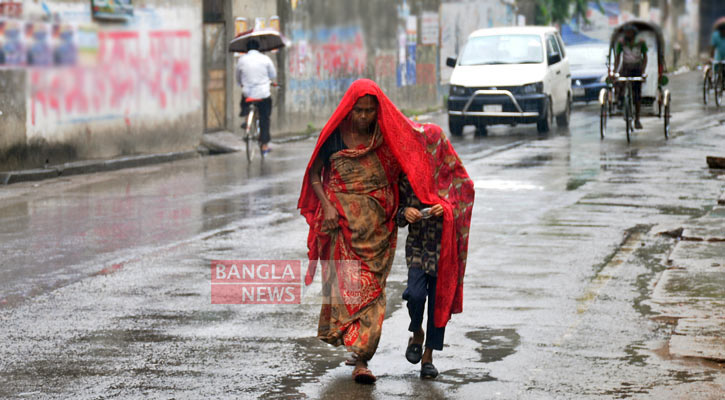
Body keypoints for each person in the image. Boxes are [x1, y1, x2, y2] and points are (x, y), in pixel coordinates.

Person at [298, 79, 475, 384]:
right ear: (349, 109)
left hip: (378, 227)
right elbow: (315, 172)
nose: (364, 117)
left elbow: (418, 152)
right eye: (359, 111)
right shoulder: (336, 137)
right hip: (341, 224)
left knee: (370, 292)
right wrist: (326, 205)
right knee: (346, 290)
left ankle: (363, 358)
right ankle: (357, 352)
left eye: (370, 111)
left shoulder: (386, 135)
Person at [397, 174, 446, 379]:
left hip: (443, 247)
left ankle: (428, 357)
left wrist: (446, 208)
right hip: (417, 246)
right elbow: (394, 212)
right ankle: (417, 332)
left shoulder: (447, 169)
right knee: (415, 295)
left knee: (438, 304)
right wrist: (405, 212)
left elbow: (463, 200)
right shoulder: (405, 174)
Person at [235, 39, 276, 154]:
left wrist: (241, 84)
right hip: (263, 94)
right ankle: (264, 146)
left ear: (247, 49)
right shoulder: (265, 59)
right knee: (265, 118)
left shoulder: (241, 60)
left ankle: (246, 117)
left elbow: (238, 77)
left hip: (248, 94)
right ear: (258, 48)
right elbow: (273, 74)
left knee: (244, 100)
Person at [614, 25, 648, 130]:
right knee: (619, 82)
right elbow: (618, 58)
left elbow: (645, 57)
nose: (628, 34)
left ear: (634, 33)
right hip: (626, 68)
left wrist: (642, 71)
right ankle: (620, 100)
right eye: (626, 32)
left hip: (637, 68)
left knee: (637, 94)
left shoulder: (641, 43)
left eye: (630, 32)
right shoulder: (621, 43)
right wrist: (615, 72)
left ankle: (637, 119)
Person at [710, 23, 725, 89]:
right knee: (716, 65)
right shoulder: (715, 36)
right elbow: (712, 47)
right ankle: (715, 80)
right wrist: (711, 57)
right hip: (719, 54)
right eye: (722, 31)